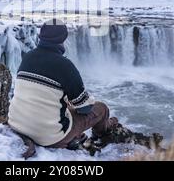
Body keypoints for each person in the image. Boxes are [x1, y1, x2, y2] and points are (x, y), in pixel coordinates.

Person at [8, 19, 117, 149]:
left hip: (17, 124)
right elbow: (85, 108)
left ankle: (75, 135)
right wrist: (88, 100)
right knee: (101, 109)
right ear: (64, 38)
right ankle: (102, 137)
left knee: (65, 107)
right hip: (49, 137)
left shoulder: (27, 57)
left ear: (41, 36)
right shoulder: (65, 65)